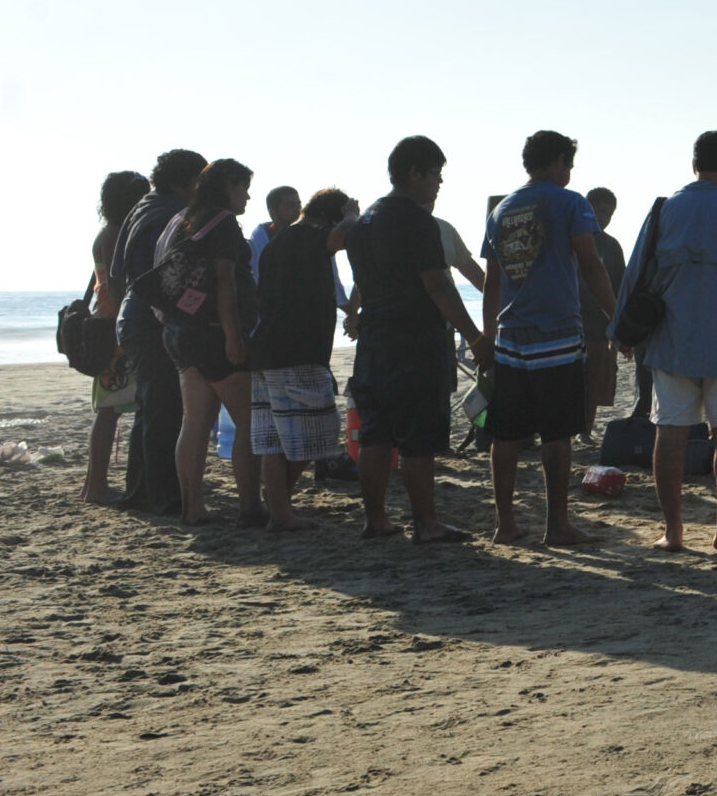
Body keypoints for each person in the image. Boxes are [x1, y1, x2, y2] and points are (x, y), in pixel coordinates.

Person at [614, 131, 717, 552]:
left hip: (673, 342)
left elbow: (636, 274)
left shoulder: (665, 210)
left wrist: (622, 331)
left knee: (669, 434)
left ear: (694, 165)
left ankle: (672, 532)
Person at [349, 135, 491, 543]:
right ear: (414, 173)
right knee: (417, 437)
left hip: (374, 339)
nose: (439, 184)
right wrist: (475, 337)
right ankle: (425, 523)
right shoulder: (416, 220)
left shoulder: (363, 223)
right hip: (413, 339)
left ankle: (375, 519)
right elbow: (438, 287)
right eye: (435, 175)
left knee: (375, 433)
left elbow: (364, 284)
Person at [480, 131, 617, 545]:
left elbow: (492, 282)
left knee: (505, 435)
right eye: (569, 164)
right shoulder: (568, 202)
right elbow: (591, 265)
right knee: (557, 435)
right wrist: (617, 317)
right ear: (557, 161)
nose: (570, 173)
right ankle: (556, 525)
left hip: (510, 337)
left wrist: (487, 336)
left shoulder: (502, 209)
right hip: (555, 334)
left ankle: (505, 524)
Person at [155, 158, 261, 526]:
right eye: (243, 187)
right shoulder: (223, 223)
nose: (248, 195)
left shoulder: (181, 220)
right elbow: (224, 283)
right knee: (249, 421)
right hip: (215, 332)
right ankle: (250, 507)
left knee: (195, 422)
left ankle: (192, 507)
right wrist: (234, 338)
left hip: (179, 331)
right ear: (227, 186)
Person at [247, 188, 350, 531]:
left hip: (266, 350)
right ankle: (280, 508)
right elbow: (340, 237)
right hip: (297, 351)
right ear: (328, 217)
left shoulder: (278, 242)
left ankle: (279, 512)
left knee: (274, 439)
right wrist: (353, 215)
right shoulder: (309, 236)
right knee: (318, 432)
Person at [114, 149, 204, 516]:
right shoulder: (165, 215)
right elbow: (155, 279)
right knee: (164, 410)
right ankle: (162, 496)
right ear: (186, 183)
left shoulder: (148, 207)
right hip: (150, 323)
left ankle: (141, 491)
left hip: (136, 321)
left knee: (153, 409)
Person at [82, 171, 150, 505]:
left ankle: (93, 484)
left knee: (110, 410)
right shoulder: (114, 235)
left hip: (110, 325)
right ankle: (96, 487)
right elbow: (118, 285)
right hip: (116, 331)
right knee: (109, 410)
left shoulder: (108, 232)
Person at [581, 187, 632, 427]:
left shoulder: (612, 246)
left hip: (601, 325)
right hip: (572, 323)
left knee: (595, 381)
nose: (604, 218)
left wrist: (620, 326)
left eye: (609, 214)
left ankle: (586, 428)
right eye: (599, 211)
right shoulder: (571, 238)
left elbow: (621, 286)